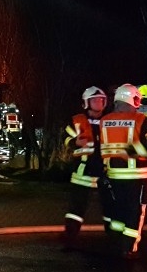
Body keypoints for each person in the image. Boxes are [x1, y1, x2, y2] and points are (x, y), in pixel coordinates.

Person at [92, 83, 147, 260]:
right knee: (136, 212)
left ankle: (116, 242)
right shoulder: (141, 120)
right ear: (132, 99)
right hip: (139, 176)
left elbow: (99, 148)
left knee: (119, 210)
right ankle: (128, 248)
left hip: (113, 175)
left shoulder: (104, 120)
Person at [60, 86, 115, 251]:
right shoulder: (77, 120)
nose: (98, 103)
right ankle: (70, 237)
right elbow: (65, 138)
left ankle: (114, 239)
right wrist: (73, 142)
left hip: (106, 172)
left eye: (101, 100)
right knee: (76, 207)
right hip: (83, 171)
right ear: (86, 102)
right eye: (95, 100)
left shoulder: (111, 120)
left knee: (110, 207)